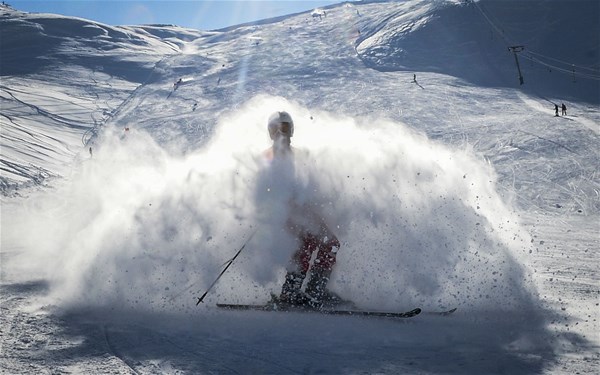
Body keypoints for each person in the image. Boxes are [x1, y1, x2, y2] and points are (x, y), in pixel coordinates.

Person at [262, 111, 342, 307]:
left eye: (285, 128)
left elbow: (313, 180)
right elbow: (261, 188)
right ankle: (290, 292)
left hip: (306, 210)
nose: (281, 133)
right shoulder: (267, 158)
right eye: (276, 129)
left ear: (292, 131)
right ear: (270, 133)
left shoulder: (300, 155)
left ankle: (315, 290)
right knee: (303, 245)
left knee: (330, 243)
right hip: (283, 213)